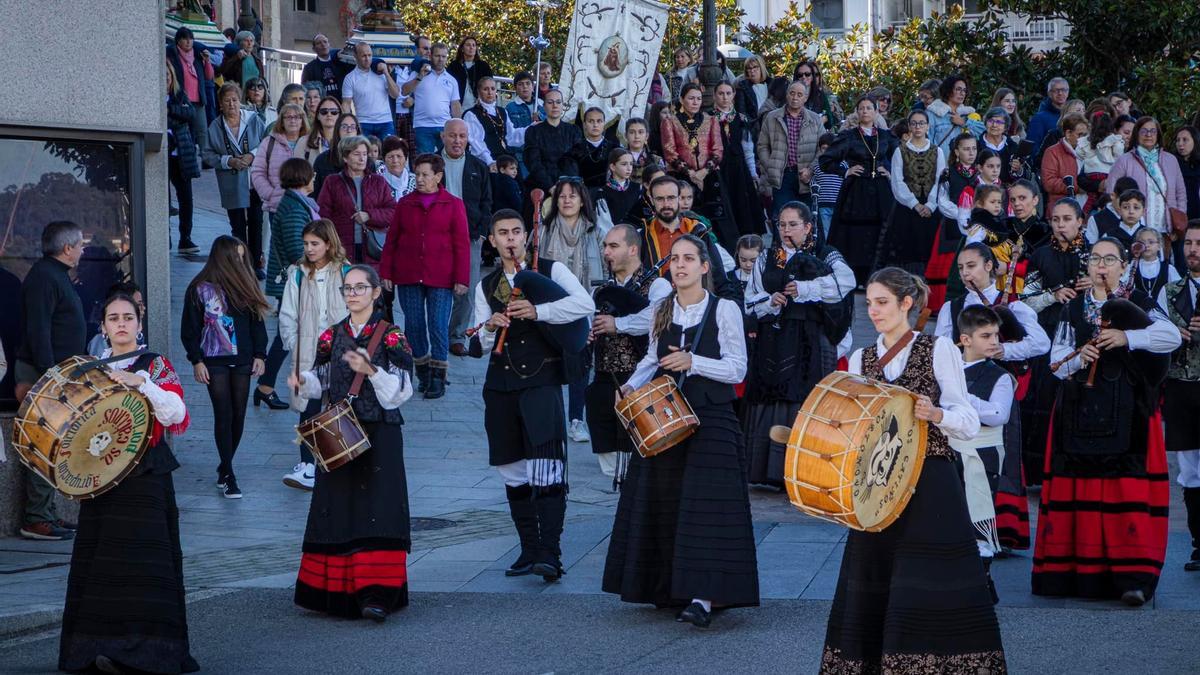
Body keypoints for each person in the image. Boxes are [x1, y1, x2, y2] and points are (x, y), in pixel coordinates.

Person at [822, 267, 1003, 672]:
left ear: (907, 303)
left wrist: (936, 412)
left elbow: (968, 418)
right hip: (876, 486)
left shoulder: (938, 348)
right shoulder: (859, 359)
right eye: (869, 303)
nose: (873, 311)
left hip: (930, 479)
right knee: (876, 578)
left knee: (928, 579)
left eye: (882, 302)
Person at [603, 234, 758, 627]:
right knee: (666, 502)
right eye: (675, 259)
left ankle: (704, 597)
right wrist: (630, 389)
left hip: (713, 417)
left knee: (706, 510)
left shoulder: (724, 309)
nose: (681, 265)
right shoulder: (663, 307)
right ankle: (670, 587)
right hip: (666, 417)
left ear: (705, 267)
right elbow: (653, 359)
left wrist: (694, 361)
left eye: (689, 259)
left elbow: (737, 368)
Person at [1033, 237, 1180, 606]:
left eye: (1109, 259)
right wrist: (1079, 357)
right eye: (1096, 259)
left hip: (1127, 412)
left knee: (1122, 491)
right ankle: (1076, 575)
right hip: (1078, 408)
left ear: (1122, 266)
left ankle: (1132, 578)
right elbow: (1057, 365)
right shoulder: (1074, 309)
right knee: (1079, 488)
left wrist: (1127, 335)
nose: (1102, 266)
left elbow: (1171, 336)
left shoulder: (1139, 301)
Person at [57, 292, 197, 674]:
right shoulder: (90, 369)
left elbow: (177, 414)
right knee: (104, 564)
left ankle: (148, 652)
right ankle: (98, 647)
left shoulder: (154, 365)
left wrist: (142, 383)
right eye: (113, 318)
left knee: (146, 563)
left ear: (139, 324)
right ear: (102, 326)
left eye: (128, 318)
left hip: (144, 473)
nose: (121, 324)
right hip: (101, 478)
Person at [472, 210, 595, 581]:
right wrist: (490, 327)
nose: (510, 239)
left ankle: (550, 553)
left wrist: (539, 310)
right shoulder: (486, 285)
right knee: (511, 468)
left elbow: (584, 305)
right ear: (491, 241)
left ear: (526, 236)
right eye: (502, 234)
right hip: (500, 386)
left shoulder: (550, 269)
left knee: (546, 467)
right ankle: (527, 549)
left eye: (516, 232)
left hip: (541, 382)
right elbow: (477, 339)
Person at [289, 265, 415, 622]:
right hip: (340, 431)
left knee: (379, 508)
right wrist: (305, 381)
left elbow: (403, 392)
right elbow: (324, 379)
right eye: (348, 288)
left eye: (361, 288)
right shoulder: (331, 336)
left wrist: (372, 371)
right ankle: (332, 593)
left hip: (380, 430)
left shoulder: (392, 337)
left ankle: (378, 595)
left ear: (376, 293)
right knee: (338, 507)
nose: (353, 294)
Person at [742, 202, 853, 488]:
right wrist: (770, 301)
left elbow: (847, 283)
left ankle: (806, 471)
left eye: (792, 225)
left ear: (808, 227)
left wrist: (808, 289)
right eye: (781, 225)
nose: (786, 230)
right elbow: (750, 298)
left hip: (812, 339)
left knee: (808, 398)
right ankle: (771, 471)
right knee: (772, 394)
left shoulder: (826, 254)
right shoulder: (767, 257)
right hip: (774, 338)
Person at [180, 236, 269, 499]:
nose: (241, 262)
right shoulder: (199, 288)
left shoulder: (246, 284)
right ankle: (228, 473)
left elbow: (257, 324)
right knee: (223, 413)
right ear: (223, 258)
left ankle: (225, 464)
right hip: (213, 359)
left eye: (243, 257)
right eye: (236, 257)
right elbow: (190, 328)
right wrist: (196, 360)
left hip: (242, 359)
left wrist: (260, 354)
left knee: (239, 414)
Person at [14, 221, 86, 541]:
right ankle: (36, 518)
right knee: (43, 443)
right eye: (80, 244)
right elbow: (39, 330)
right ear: (67, 248)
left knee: (53, 443)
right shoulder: (45, 277)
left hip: (57, 373)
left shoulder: (54, 275)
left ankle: (46, 512)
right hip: (45, 374)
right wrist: (50, 375)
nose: (83, 250)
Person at [586, 223, 671, 483]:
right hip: (604, 380)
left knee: (642, 463)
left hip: (641, 383)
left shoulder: (658, 286)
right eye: (605, 246)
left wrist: (618, 324)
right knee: (610, 464)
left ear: (633, 249)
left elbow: (656, 317)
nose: (606, 252)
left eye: (613, 246)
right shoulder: (599, 290)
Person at [380, 153, 470, 399]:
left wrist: (462, 278)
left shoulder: (453, 204)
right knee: (415, 325)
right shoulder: (405, 203)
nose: (419, 179)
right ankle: (423, 373)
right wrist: (386, 271)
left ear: (438, 176)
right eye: (417, 174)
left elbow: (461, 244)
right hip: (408, 274)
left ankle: (439, 375)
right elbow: (392, 241)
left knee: (438, 325)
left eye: (424, 174)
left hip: (441, 275)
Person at [1019, 199, 1092, 485]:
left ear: (1080, 221)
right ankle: (1040, 472)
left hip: (1084, 335)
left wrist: (1097, 285)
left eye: (1067, 219)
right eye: (1056, 220)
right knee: (1044, 398)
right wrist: (1053, 294)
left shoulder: (1094, 253)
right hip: (1048, 336)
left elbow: (1118, 292)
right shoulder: (1040, 255)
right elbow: (1024, 300)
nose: (1061, 225)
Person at [278, 219, 351, 491]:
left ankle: (337, 459)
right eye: (306, 243)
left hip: (339, 349)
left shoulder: (344, 272)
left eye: (315, 244)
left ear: (328, 244)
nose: (309, 249)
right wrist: (293, 343)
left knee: (337, 405)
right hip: (308, 349)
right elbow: (287, 314)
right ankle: (307, 464)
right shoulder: (297, 274)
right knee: (309, 406)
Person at [951, 304, 1020, 594]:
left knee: (979, 511)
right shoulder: (948, 367)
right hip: (949, 448)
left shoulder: (1000, 377)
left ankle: (983, 580)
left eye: (996, 335)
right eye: (986, 335)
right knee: (950, 513)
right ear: (966, 339)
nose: (995, 341)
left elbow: (998, 415)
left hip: (983, 452)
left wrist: (962, 397)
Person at [540, 178, 607, 441]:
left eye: (573, 196)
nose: (567, 201)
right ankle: (548, 417)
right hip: (549, 307)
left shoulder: (595, 233)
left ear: (582, 201)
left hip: (583, 308)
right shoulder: (543, 231)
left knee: (580, 365)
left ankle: (576, 420)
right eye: (562, 196)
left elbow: (604, 272)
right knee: (547, 364)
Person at [822, 95, 898, 282]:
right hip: (856, 191)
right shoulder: (849, 136)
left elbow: (900, 157)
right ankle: (855, 275)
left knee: (881, 231)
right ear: (857, 112)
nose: (865, 111)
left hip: (880, 190)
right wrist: (845, 171)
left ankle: (879, 274)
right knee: (855, 234)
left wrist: (888, 171)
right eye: (861, 108)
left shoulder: (885, 136)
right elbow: (826, 160)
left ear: (876, 112)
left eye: (869, 108)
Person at [1161, 221, 1200, 572]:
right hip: (1181, 385)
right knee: (1189, 470)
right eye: (1188, 243)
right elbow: (1156, 331)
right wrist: (1174, 333)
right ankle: (1198, 543)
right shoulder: (1169, 290)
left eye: (1199, 243)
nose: (1193, 250)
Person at [440, 120, 493, 356]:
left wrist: (481, 233)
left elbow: (487, 202)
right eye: (452, 136)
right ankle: (438, 335)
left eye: (462, 136)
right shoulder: (431, 164)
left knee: (466, 288)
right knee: (437, 288)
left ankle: (457, 336)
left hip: (469, 236)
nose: (457, 141)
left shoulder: (477, 166)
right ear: (443, 137)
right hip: (437, 235)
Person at [661, 83, 734, 249]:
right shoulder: (670, 121)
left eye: (699, 99)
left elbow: (717, 150)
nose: (695, 102)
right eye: (691, 98)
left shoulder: (711, 120)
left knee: (718, 220)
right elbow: (670, 151)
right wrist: (691, 173)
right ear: (682, 99)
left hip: (709, 177)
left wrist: (704, 172)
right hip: (681, 177)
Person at [641, 176, 739, 298]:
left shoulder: (698, 231)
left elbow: (718, 277)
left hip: (698, 304)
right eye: (660, 199)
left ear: (679, 198)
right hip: (658, 306)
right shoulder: (643, 236)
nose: (666, 204)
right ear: (651, 199)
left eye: (671, 198)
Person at [203, 82, 266, 269]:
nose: (231, 104)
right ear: (220, 104)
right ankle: (241, 265)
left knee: (256, 222)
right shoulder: (215, 126)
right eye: (227, 101)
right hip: (231, 182)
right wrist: (228, 161)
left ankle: (255, 263)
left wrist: (252, 154)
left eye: (235, 100)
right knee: (238, 226)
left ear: (241, 101)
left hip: (254, 180)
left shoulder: (254, 120)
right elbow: (207, 154)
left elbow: (266, 143)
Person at [877, 108, 945, 274]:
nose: (918, 127)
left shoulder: (938, 151)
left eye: (921, 123)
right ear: (909, 126)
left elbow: (940, 180)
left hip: (931, 207)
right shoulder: (900, 151)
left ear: (928, 126)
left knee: (929, 247)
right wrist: (914, 204)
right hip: (907, 208)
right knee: (907, 250)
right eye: (914, 123)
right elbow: (897, 182)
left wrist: (930, 205)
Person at [316, 135, 396, 266]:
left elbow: (393, 212)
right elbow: (323, 216)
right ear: (345, 157)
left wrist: (369, 216)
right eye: (357, 154)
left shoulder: (378, 182)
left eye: (365, 154)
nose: (362, 158)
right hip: (342, 250)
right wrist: (331, 244)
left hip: (372, 250)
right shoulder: (332, 182)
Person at [1106, 116, 1189, 242]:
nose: (1148, 135)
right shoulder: (1124, 160)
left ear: (1158, 135)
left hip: (1166, 230)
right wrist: (1126, 220)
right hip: (1135, 229)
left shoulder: (1171, 160)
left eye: (1153, 131)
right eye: (1144, 131)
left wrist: (1178, 221)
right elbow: (1111, 192)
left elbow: (1181, 194)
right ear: (1137, 134)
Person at [757, 80, 825, 220]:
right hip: (782, 175)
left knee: (806, 219)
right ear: (786, 94)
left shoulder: (814, 120)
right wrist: (770, 166)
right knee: (782, 217)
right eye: (792, 93)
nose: (795, 97)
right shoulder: (772, 117)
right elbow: (762, 146)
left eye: (800, 95)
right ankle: (780, 242)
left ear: (805, 98)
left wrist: (811, 169)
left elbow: (823, 148)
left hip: (806, 176)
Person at [926, 134, 980, 311]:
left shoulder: (980, 173)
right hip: (952, 225)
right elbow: (942, 200)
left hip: (975, 226)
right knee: (948, 263)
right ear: (957, 151)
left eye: (973, 149)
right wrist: (963, 214)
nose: (971, 153)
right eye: (966, 149)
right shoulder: (948, 173)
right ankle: (943, 303)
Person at [710, 81, 766, 238]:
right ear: (715, 95)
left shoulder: (741, 119)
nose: (725, 97)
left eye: (728, 93)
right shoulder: (709, 118)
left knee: (743, 203)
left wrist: (753, 173)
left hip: (738, 167)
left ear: (734, 95)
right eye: (721, 93)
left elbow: (747, 148)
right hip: (718, 167)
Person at [265, 157, 321, 307]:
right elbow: (296, 250)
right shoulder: (293, 209)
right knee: (291, 328)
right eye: (312, 174)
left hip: (299, 279)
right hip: (294, 281)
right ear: (302, 176)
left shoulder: (299, 203)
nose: (314, 178)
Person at [167, 60, 203, 254]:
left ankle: (185, 238)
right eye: (162, 76)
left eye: (168, 76)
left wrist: (171, 111)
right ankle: (165, 238)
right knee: (163, 200)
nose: (165, 79)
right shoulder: (153, 98)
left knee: (186, 198)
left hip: (181, 154)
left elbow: (190, 114)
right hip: (161, 156)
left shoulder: (179, 96)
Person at [404, 42, 461, 154]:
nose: (440, 59)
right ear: (430, 56)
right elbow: (404, 91)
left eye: (443, 56)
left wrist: (457, 126)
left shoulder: (451, 80)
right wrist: (420, 76)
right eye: (437, 56)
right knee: (426, 161)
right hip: (422, 126)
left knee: (445, 160)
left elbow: (455, 104)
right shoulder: (418, 73)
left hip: (444, 126)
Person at [464, 76, 528, 172]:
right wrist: (490, 161)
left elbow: (511, 136)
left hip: (506, 160)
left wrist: (531, 128)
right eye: (485, 89)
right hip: (486, 163)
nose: (490, 92)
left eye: (493, 89)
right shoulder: (471, 114)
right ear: (478, 92)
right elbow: (476, 142)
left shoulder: (502, 111)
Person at [524, 89, 583, 192]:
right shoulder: (533, 132)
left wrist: (564, 186)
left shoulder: (574, 131)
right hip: (540, 187)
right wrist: (550, 187)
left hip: (569, 186)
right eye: (550, 102)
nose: (554, 106)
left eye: (558, 102)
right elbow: (534, 163)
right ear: (544, 106)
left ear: (563, 106)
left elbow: (574, 161)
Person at [166, 27, 213, 147]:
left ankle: (205, 160)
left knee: (202, 131)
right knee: (186, 131)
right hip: (182, 100)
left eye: (191, 39)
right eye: (185, 39)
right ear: (178, 41)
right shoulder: (172, 55)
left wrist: (207, 61)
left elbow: (209, 76)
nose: (188, 42)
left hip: (198, 100)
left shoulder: (198, 55)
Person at [341, 42, 399, 139]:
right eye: (363, 56)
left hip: (385, 121)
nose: (367, 59)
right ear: (355, 56)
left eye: (369, 55)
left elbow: (395, 94)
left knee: (387, 151)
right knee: (364, 152)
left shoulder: (381, 73)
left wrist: (386, 72)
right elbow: (346, 103)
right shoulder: (350, 78)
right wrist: (348, 123)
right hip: (363, 123)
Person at [1041, 113, 1093, 208]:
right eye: (1080, 135)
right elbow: (1049, 182)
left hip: (1088, 208)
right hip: (1062, 208)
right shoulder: (1052, 152)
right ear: (1068, 133)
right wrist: (1078, 187)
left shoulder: (1090, 151)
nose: (1085, 139)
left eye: (1086, 135)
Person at [925, 74, 984, 157]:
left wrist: (963, 122)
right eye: (958, 89)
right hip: (941, 165)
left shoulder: (968, 114)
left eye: (964, 90)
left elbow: (984, 132)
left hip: (964, 166)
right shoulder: (933, 113)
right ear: (948, 91)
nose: (962, 93)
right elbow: (926, 141)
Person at [392, 35, 431, 149]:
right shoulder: (392, 68)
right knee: (394, 149)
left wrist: (413, 99)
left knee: (413, 152)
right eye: (425, 48)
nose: (428, 52)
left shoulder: (427, 70)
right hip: (393, 115)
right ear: (416, 49)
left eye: (429, 49)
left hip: (413, 116)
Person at [505, 71, 545, 176]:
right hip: (521, 156)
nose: (525, 87)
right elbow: (510, 134)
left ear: (533, 87)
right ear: (515, 88)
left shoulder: (543, 105)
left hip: (541, 155)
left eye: (528, 83)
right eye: (520, 84)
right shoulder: (510, 108)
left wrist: (541, 118)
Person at [311, 113, 361, 198]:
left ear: (357, 132)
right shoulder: (322, 160)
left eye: (352, 127)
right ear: (337, 130)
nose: (349, 130)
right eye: (344, 127)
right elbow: (315, 193)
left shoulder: (366, 160)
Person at [568, 107, 620, 188]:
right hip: (584, 194)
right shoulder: (575, 150)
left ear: (604, 124)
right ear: (584, 124)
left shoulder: (614, 149)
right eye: (591, 121)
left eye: (599, 121)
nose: (595, 125)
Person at [591, 148, 642, 227]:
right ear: (613, 167)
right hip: (613, 235)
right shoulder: (602, 193)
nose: (629, 168)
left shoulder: (638, 188)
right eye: (624, 164)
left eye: (631, 164)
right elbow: (604, 224)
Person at [979, 107, 1026, 185]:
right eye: (991, 121)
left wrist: (1018, 170)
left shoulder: (1013, 146)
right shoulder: (977, 146)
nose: (994, 125)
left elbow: (1022, 177)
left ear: (1005, 127)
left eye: (999, 122)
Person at [1130, 227, 1180, 299]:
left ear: (1159, 246)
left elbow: (1178, 293)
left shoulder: (1168, 269)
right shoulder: (1131, 268)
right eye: (1142, 242)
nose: (1146, 245)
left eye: (1151, 242)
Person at [447, 36, 493, 110]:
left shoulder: (483, 66)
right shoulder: (454, 66)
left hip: (479, 106)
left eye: (473, 45)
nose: (471, 47)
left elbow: (490, 84)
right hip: (458, 105)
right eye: (468, 45)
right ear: (462, 48)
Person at [301, 33, 352, 100]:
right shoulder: (309, 68)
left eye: (325, 42)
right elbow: (305, 91)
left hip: (342, 104)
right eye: (319, 43)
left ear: (329, 44)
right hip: (322, 107)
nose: (323, 45)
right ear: (314, 49)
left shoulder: (342, 62)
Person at [793, 59, 840, 130]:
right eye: (800, 75)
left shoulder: (821, 94)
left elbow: (832, 119)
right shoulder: (790, 93)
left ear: (812, 77)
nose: (804, 77)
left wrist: (825, 118)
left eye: (807, 74)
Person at [1027, 77, 1070, 152]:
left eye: (1063, 90)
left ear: (1068, 92)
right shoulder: (1039, 118)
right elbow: (1033, 146)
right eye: (1056, 90)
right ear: (1049, 93)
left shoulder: (1073, 115)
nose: (1060, 93)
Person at [302, 95, 342, 165]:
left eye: (334, 111)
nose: (329, 114)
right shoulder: (304, 142)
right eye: (324, 111)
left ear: (340, 115)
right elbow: (297, 172)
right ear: (318, 116)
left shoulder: (348, 141)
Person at [623, 118, 662, 187]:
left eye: (640, 132)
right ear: (626, 136)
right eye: (632, 132)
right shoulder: (618, 159)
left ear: (646, 136)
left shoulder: (656, 160)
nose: (636, 136)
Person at [1172, 127, 1200, 222]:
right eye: (1178, 140)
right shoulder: (1171, 163)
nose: (1180, 144)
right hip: (1179, 215)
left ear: (1195, 141)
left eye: (1185, 140)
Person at [734, 54, 771, 119]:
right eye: (749, 68)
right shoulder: (742, 87)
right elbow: (741, 112)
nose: (752, 70)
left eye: (755, 67)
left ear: (761, 67)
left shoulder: (772, 84)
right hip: (752, 125)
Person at [381, 135, 416, 201]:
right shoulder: (378, 183)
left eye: (399, 156)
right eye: (391, 157)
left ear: (406, 159)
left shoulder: (416, 181)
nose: (395, 161)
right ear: (384, 159)